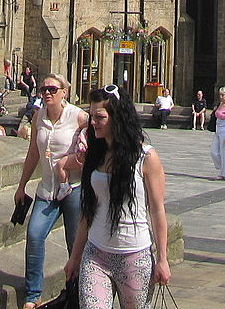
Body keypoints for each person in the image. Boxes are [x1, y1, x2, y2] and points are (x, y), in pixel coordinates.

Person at [63, 88, 170, 309]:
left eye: (100, 117)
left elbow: (158, 210)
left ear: (117, 118)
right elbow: (87, 212)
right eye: (92, 116)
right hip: (96, 254)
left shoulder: (146, 157)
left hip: (135, 256)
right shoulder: (95, 154)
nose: (94, 122)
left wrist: (162, 259)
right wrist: (75, 257)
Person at [13, 74, 86, 309]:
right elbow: (33, 153)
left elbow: (92, 153)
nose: (47, 93)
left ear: (64, 91)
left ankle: (76, 292)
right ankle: (33, 295)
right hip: (46, 190)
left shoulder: (79, 117)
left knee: (74, 243)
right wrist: (22, 185)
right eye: (44, 89)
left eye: (53, 89)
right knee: (34, 235)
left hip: (73, 189)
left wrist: (69, 163)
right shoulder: (38, 117)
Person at [211, 87, 225, 180]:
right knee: (213, 152)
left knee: (223, 152)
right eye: (220, 95)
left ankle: (223, 173)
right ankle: (224, 166)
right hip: (217, 129)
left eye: (222, 95)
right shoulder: (219, 104)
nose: (220, 97)